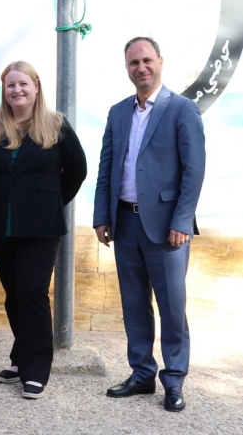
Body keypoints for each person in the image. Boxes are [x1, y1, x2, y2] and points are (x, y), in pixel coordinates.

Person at [93, 37, 205, 413]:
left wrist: (182, 220)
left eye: (146, 60)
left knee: (172, 306)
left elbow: (193, 171)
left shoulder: (182, 109)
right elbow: (107, 168)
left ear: (160, 61)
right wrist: (102, 216)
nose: (140, 67)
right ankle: (141, 374)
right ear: (127, 68)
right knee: (134, 303)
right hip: (125, 222)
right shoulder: (118, 112)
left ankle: (173, 381)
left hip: (167, 227)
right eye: (133, 63)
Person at [0, 61, 86, 400]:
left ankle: (36, 371)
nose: (17, 90)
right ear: (4, 90)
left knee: (33, 292)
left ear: (36, 86)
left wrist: (48, 200)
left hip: (41, 226)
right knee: (14, 292)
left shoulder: (56, 125)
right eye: (11, 85)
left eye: (23, 83)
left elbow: (76, 171)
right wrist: (3, 194)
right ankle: (21, 357)